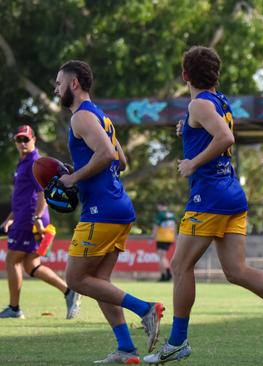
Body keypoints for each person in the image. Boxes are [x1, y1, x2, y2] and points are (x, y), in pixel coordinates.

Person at [144, 46, 263, 364]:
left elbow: (224, 138)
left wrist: (191, 163)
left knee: (180, 266)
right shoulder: (219, 102)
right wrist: (187, 130)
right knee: (236, 270)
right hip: (232, 194)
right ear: (215, 74)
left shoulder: (200, 104)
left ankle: (177, 342)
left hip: (209, 196)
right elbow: (213, 131)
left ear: (185, 75)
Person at [55, 60, 164, 364]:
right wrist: (79, 170)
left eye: (59, 83)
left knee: (76, 279)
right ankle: (127, 349)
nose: (56, 88)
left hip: (101, 210)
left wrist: (74, 177)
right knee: (100, 282)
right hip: (118, 208)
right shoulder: (101, 116)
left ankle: (145, 309)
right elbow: (121, 161)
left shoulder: (81, 117)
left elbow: (106, 154)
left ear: (74, 84)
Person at [0, 125, 81, 320]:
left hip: (30, 219)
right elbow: (21, 196)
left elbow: (42, 193)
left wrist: (36, 218)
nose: (22, 143)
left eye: (25, 139)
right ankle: (69, 291)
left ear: (34, 139)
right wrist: (9, 219)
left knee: (12, 259)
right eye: (19, 140)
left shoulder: (35, 163)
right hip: (21, 218)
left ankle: (14, 307)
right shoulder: (22, 163)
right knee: (30, 265)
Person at [150, 203, 176, 281]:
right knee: (163, 257)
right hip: (170, 238)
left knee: (161, 257)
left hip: (162, 238)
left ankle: (166, 275)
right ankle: (166, 274)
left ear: (160, 206)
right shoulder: (171, 215)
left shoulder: (160, 215)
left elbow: (156, 226)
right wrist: (174, 237)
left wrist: (152, 237)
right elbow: (175, 226)